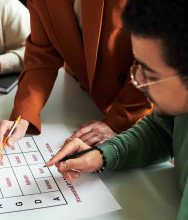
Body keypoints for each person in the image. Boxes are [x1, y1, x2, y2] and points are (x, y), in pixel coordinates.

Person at [46, 0, 188, 218]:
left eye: (150, 76)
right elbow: (161, 130)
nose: (137, 82)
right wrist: (104, 155)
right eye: (136, 65)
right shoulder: (177, 108)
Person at [0, 0, 153, 150]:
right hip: (83, 98)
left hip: (145, 105)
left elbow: (156, 59)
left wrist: (118, 121)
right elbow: (42, 55)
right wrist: (24, 115)